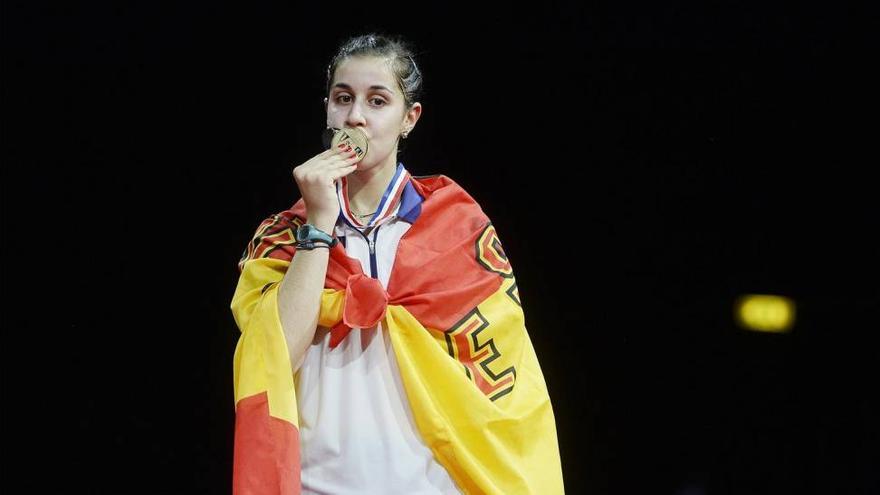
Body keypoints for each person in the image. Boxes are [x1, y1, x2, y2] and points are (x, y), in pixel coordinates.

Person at [230, 33, 564, 495]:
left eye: (377, 100)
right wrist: (319, 225)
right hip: (316, 483)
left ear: (409, 118)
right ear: (326, 109)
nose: (355, 117)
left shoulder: (456, 227)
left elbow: (506, 375)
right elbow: (273, 356)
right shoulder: (286, 235)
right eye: (342, 98)